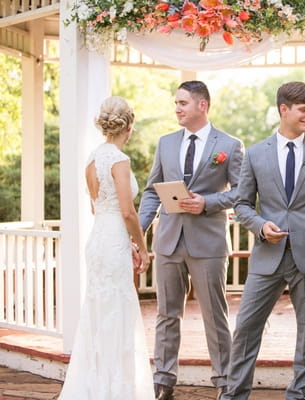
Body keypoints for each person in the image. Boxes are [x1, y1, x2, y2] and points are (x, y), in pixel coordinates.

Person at [221, 82, 305, 400]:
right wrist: (261, 226)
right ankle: (235, 394)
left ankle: (299, 395)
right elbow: (242, 204)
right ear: (284, 110)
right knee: (247, 327)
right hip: (268, 254)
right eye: (304, 110)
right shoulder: (254, 154)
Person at [138, 81, 244, 400]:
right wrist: (137, 231)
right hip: (168, 241)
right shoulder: (165, 143)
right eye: (176, 103)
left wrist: (208, 202)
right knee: (167, 314)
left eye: (183, 102)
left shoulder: (229, 144)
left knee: (215, 313)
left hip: (208, 244)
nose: (177, 108)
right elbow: (150, 191)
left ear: (202, 105)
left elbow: (242, 192)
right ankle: (163, 380)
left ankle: (225, 380)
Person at [59, 96, 154, 399]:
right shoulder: (118, 160)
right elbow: (128, 212)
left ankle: (93, 386)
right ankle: (117, 391)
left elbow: (95, 207)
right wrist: (143, 247)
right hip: (113, 239)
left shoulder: (92, 158)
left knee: (99, 310)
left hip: (98, 238)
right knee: (119, 310)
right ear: (130, 124)